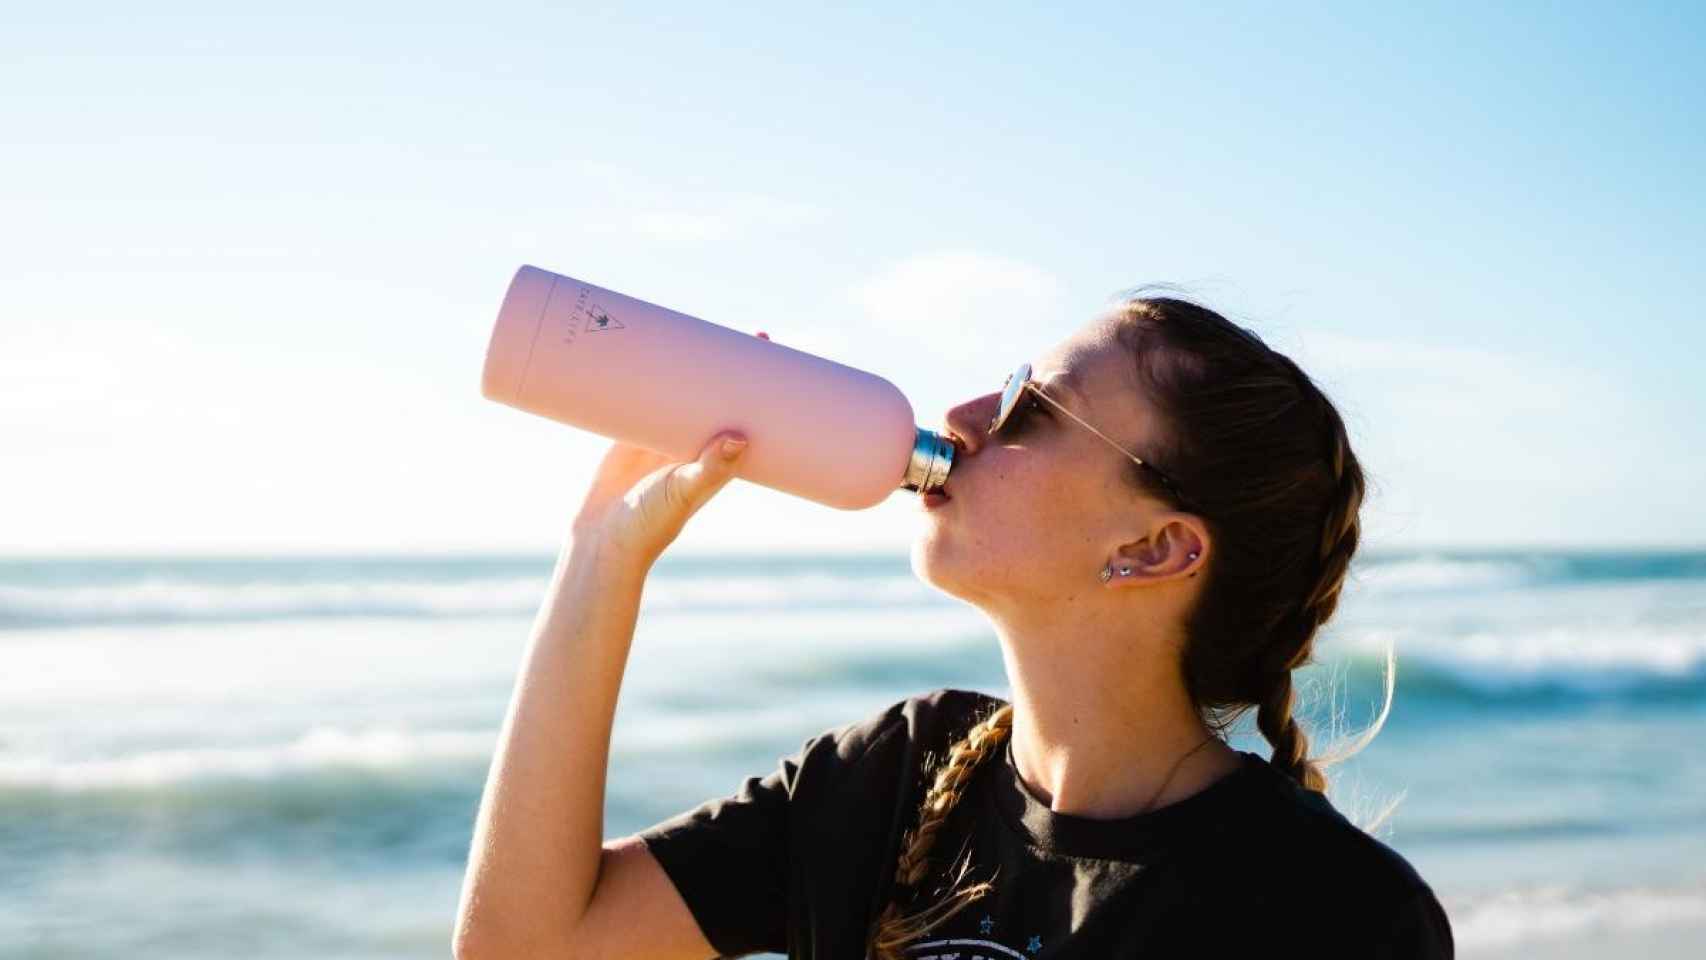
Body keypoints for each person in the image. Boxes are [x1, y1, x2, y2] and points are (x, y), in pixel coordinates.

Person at [453, 299, 1455, 959]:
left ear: (1153, 549)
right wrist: (602, 554)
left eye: (1030, 408)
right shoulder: (888, 778)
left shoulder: (1333, 917)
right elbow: (524, 947)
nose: (965, 411)